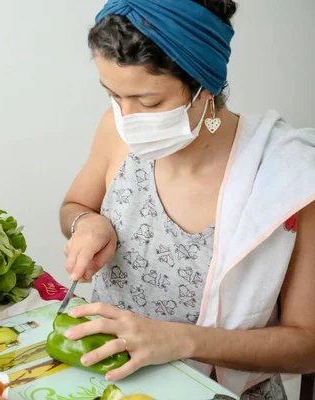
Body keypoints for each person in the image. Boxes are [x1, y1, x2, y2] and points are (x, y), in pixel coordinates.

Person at [59, 1, 315, 399]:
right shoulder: (115, 129)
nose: (127, 118)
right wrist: (87, 223)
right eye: (113, 95)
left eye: (149, 103)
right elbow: (75, 206)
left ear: (204, 86)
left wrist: (178, 341)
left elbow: (307, 346)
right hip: (104, 384)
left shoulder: (287, 177)